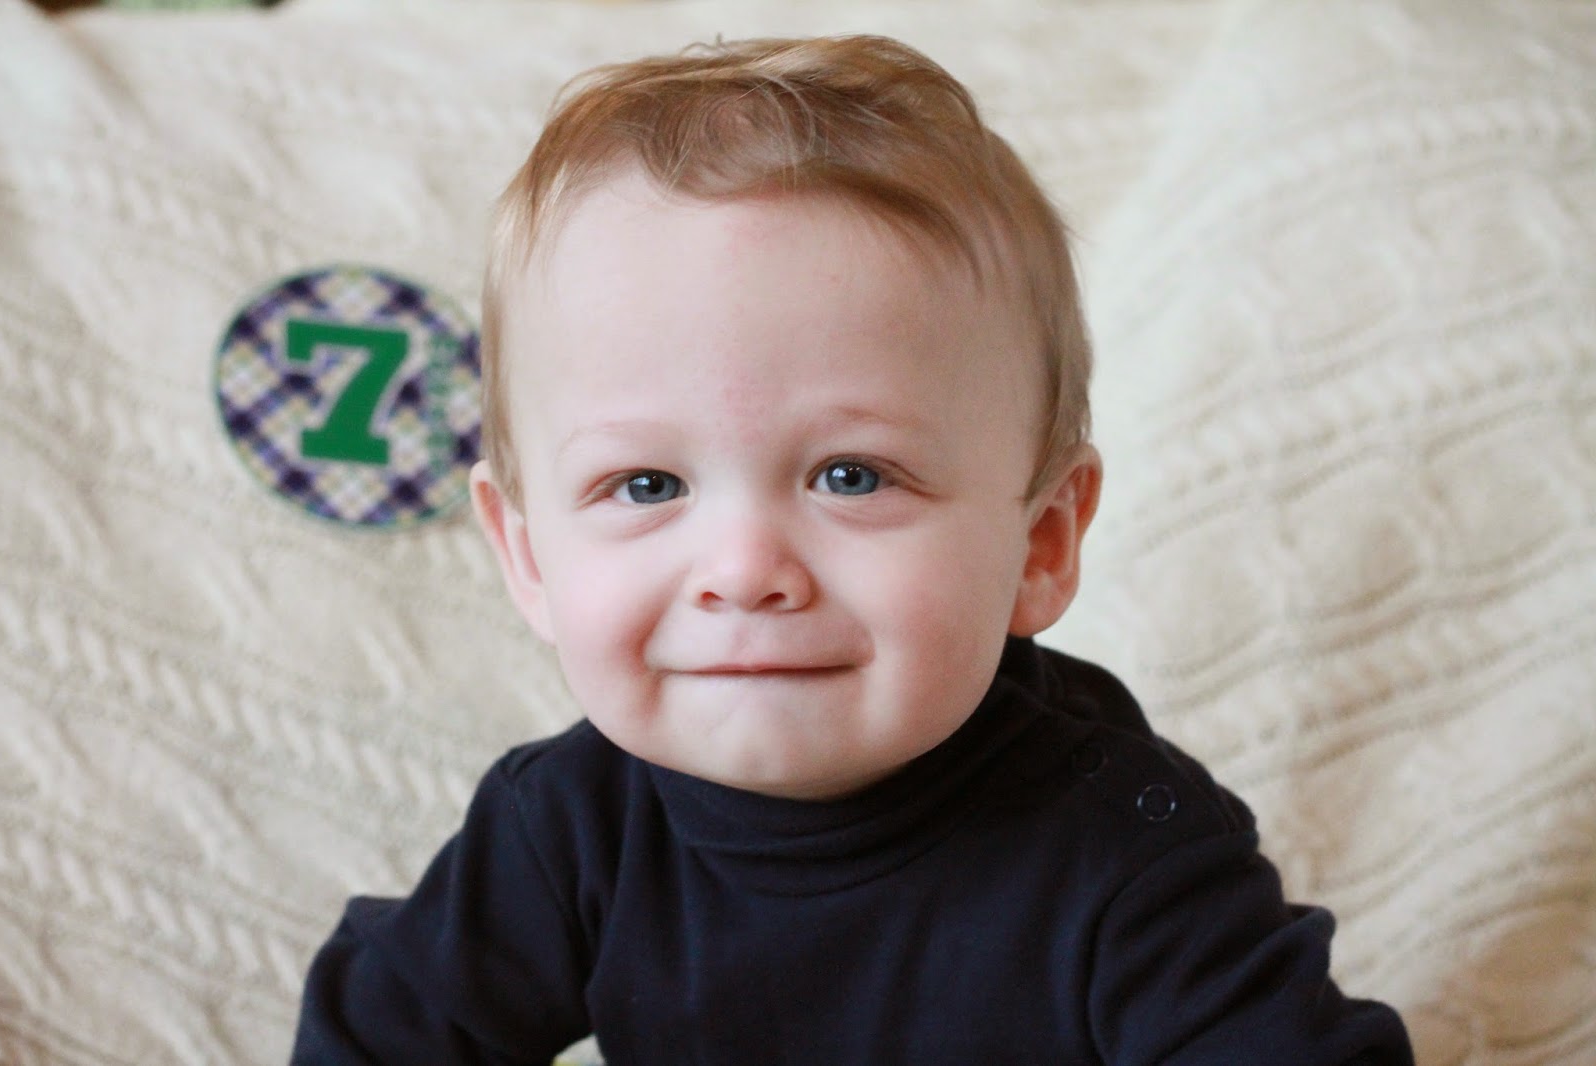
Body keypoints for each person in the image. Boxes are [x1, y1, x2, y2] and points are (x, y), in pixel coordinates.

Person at [292, 34, 1414, 1065]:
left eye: (851, 476)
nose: (744, 570)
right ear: (530, 557)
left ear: (1041, 542)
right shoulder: (568, 829)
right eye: (646, 485)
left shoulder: (1125, 852)